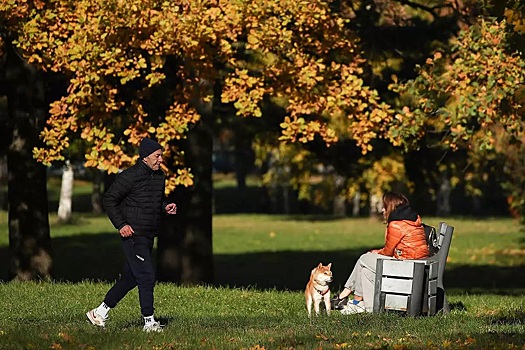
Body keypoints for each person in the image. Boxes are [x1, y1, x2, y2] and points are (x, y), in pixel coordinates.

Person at [86, 137, 177, 332]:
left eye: (161, 156)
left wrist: (165, 206)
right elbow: (109, 199)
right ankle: (149, 321)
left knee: (131, 277)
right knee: (146, 276)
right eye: (157, 156)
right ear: (145, 157)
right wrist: (121, 225)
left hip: (148, 234)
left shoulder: (160, 176)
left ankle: (99, 313)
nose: (161, 159)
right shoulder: (129, 176)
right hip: (132, 235)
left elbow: (152, 202)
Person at [333, 191, 429, 314]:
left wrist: (374, 253)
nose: (382, 210)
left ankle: (347, 297)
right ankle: (357, 302)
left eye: (384, 207)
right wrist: (375, 252)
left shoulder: (396, 224)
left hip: (406, 267)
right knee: (366, 268)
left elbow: (388, 252)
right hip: (414, 264)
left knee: (364, 259)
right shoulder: (411, 220)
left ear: (391, 207)